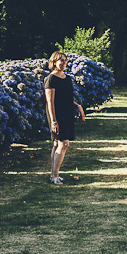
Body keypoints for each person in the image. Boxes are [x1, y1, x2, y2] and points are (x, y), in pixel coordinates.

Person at [44, 51, 85, 184]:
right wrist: (54, 121)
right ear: (54, 62)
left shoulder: (67, 78)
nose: (63, 63)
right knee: (64, 143)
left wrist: (77, 105)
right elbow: (50, 102)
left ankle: (53, 175)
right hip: (56, 113)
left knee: (57, 144)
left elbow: (67, 98)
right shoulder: (51, 79)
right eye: (60, 60)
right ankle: (55, 176)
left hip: (67, 113)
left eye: (65, 60)